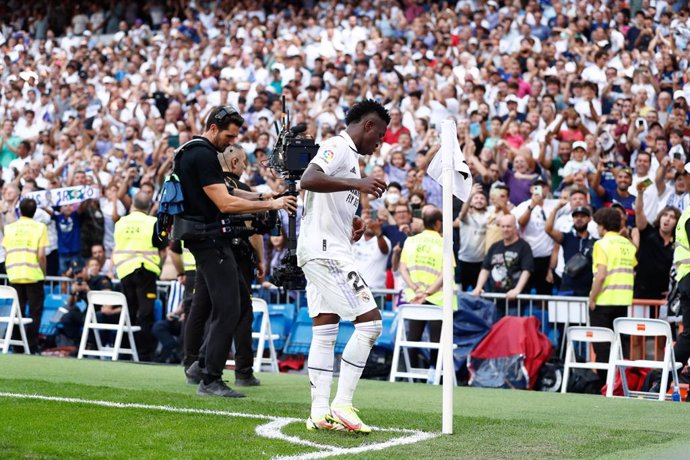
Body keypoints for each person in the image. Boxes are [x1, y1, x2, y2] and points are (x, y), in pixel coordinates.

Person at [178, 106, 296, 398]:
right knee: (229, 307)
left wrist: (261, 196)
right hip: (210, 239)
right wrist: (270, 205)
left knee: (240, 301)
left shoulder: (190, 150)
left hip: (204, 237)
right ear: (214, 127)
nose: (228, 142)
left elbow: (227, 190)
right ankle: (210, 378)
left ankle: (200, 366)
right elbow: (226, 204)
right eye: (228, 135)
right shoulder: (204, 154)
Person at [297, 99, 389, 433]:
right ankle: (343, 403)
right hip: (326, 252)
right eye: (378, 136)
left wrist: (352, 222)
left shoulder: (349, 158)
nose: (378, 144)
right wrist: (358, 183)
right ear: (367, 126)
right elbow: (309, 178)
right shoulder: (339, 146)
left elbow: (325, 200)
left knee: (325, 331)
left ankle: (319, 412)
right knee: (370, 325)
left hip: (322, 247)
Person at [112, 191, 168, 361]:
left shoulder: (120, 223)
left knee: (127, 312)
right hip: (146, 271)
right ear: (149, 206)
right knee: (145, 313)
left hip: (125, 271)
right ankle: (144, 353)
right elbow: (163, 250)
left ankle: (123, 351)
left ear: (132, 204)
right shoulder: (152, 222)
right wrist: (159, 266)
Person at [398, 205, 456, 370]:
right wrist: (428, 292)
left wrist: (416, 290)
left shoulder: (411, 241)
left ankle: (410, 375)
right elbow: (446, 273)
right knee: (437, 340)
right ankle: (433, 373)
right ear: (438, 223)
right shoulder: (445, 243)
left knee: (413, 338)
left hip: (414, 298)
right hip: (437, 298)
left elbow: (402, 268)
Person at [588, 207, 637, 387]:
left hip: (603, 301)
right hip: (623, 301)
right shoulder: (628, 245)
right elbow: (633, 270)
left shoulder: (601, 244)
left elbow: (600, 275)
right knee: (621, 347)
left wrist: (592, 298)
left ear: (602, 226)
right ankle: (621, 385)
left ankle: (605, 385)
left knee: (602, 347)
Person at [2, 198, 47, 353]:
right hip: (33, 274)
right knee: (35, 312)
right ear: (35, 212)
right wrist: (44, 272)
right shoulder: (40, 227)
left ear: (19, 210)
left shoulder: (10, 228)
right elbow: (41, 255)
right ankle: (31, 344)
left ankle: (17, 344)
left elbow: (7, 251)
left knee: (17, 311)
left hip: (14, 274)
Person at [472, 214, 533, 302]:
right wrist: (478, 287)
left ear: (515, 228)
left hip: (515, 300)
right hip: (495, 298)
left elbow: (526, 271)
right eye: (503, 226)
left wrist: (517, 290)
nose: (505, 229)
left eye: (508, 226)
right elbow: (485, 269)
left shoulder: (524, 247)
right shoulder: (495, 246)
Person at [545, 200, 596, 296]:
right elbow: (548, 229)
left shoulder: (595, 242)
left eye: (582, 216)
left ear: (589, 219)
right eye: (576, 216)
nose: (579, 219)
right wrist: (556, 209)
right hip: (568, 287)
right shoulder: (566, 237)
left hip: (588, 289)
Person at [455, 184, 488, 291]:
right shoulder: (467, 216)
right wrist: (470, 195)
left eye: (482, 198)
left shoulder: (489, 215)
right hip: (463, 260)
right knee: (459, 293)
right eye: (476, 198)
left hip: (480, 262)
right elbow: (462, 213)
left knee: (478, 293)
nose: (479, 200)